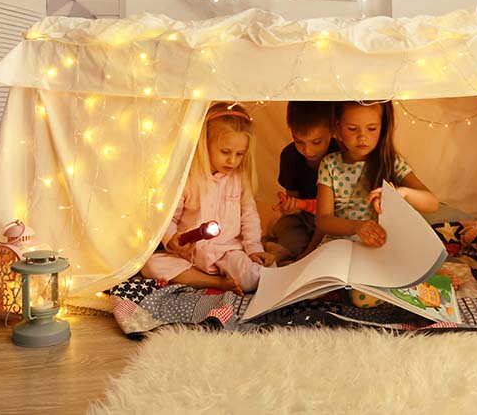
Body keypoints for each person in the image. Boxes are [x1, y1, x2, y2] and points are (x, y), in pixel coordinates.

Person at [141, 103, 274, 295]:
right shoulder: (188, 179)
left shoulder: (239, 179)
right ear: (205, 144)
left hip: (228, 252)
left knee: (253, 277)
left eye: (239, 154)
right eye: (225, 152)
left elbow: (249, 217)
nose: (232, 161)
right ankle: (217, 283)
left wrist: (254, 249)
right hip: (191, 255)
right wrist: (172, 240)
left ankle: (271, 257)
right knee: (150, 264)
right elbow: (169, 218)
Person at [315, 101, 439, 249]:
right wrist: (357, 227)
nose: (362, 137)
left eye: (372, 128)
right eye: (352, 129)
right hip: (338, 244)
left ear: (382, 128)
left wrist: (403, 193)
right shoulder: (330, 164)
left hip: (380, 245)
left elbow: (432, 203)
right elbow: (323, 220)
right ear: (338, 129)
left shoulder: (392, 162)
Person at [264, 102, 339, 265]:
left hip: (335, 219)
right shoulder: (290, 156)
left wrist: (308, 252)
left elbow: (336, 210)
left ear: (333, 130)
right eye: (299, 142)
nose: (308, 150)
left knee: (331, 252)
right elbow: (294, 203)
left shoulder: (339, 155)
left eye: (316, 142)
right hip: (304, 220)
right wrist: (290, 206)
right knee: (290, 239)